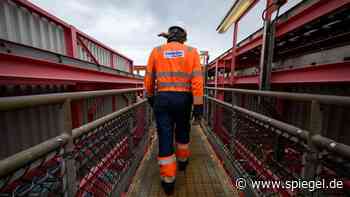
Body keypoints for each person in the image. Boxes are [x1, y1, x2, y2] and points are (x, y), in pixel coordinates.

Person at [144, 25, 204, 195]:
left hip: (162, 99)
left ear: (169, 37)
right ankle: (183, 161)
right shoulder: (192, 52)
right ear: (183, 39)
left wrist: (150, 96)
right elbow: (197, 81)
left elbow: (149, 77)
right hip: (184, 100)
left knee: (164, 135)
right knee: (183, 129)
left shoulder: (157, 51)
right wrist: (198, 105)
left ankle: (168, 181)